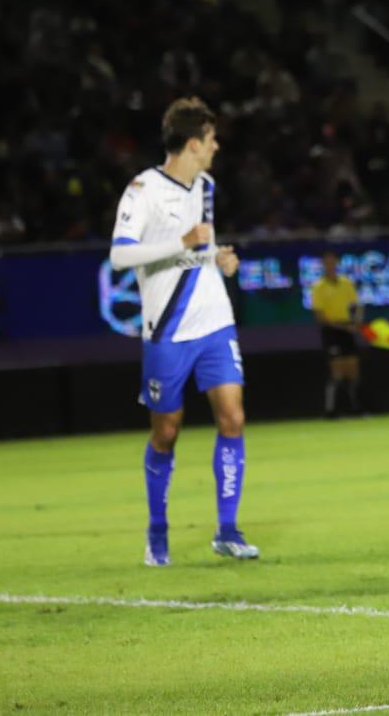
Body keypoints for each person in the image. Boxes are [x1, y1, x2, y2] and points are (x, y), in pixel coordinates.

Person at [108, 97, 257, 567]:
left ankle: (227, 530)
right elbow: (120, 256)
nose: (216, 147)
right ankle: (157, 533)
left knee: (232, 418)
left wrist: (219, 258)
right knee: (166, 432)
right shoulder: (142, 190)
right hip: (168, 331)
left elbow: (202, 249)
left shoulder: (206, 187)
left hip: (214, 321)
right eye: (211, 139)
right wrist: (182, 242)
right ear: (192, 143)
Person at [310, 251, 364, 418]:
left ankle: (356, 409)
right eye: (327, 263)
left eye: (333, 262)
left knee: (353, 371)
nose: (330, 265)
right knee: (337, 373)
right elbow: (320, 317)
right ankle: (331, 411)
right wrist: (343, 327)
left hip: (348, 330)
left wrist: (356, 322)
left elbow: (356, 306)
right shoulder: (318, 287)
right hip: (332, 332)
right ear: (323, 265)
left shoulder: (346, 283)